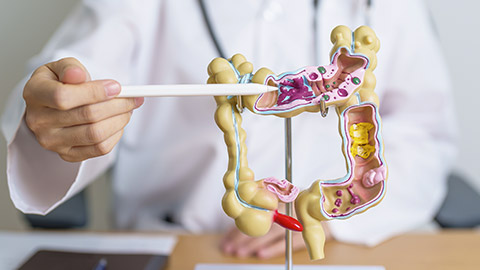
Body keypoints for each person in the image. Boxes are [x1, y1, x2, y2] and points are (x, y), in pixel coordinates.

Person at [1, 0, 456, 259]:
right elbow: (66, 81)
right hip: (183, 245)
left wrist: (335, 217)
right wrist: (59, 114)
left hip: (340, 250)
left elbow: (425, 132)